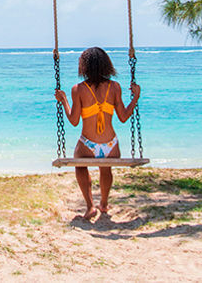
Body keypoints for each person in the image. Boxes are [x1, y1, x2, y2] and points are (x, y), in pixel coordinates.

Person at [54, 47, 140, 220]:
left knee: (80, 165)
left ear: (84, 66)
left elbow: (74, 121)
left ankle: (90, 206)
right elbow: (123, 117)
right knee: (105, 168)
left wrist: (64, 101)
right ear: (106, 65)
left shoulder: (78, 89)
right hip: (111, 145)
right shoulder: (114, 87)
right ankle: (104, 203)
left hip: (88, 145)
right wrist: (136, 97)